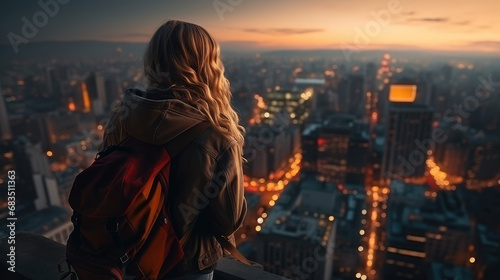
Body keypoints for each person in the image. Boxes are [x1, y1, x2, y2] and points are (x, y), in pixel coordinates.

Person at [101, 20, 247, 280]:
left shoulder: (121, 117)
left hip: (126, 257)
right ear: (208, 65)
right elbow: (228, 222)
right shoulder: (217, 136)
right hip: (185, 267)